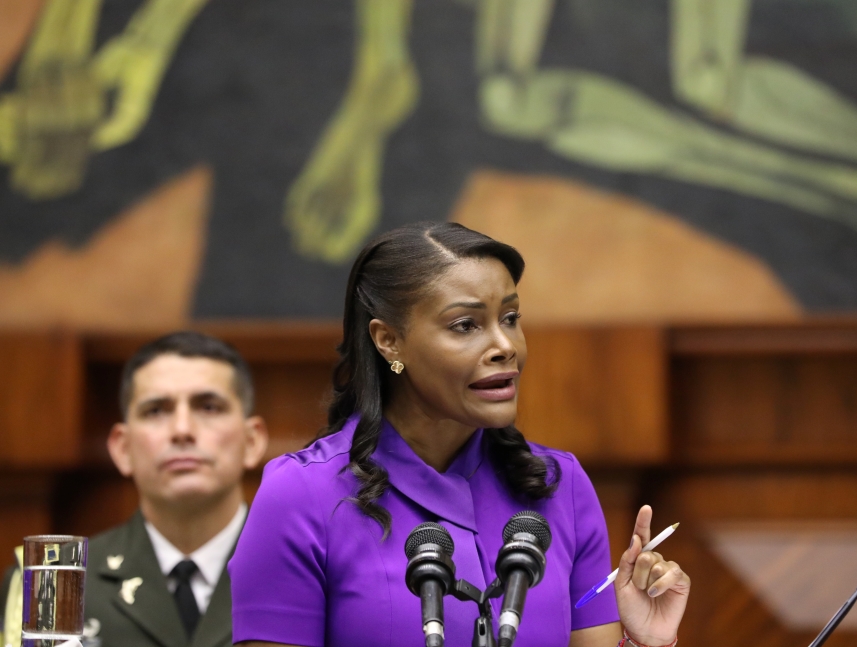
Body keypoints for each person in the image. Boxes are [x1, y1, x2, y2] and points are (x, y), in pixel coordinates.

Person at [228, 222, 690, 647]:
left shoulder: (560, 486)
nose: (505, 346)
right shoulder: (301, 494)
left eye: (510, 318)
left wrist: (648, 643)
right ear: (388, 340)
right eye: (466, 325)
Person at [0, 332, 269, 647]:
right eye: (156, 410)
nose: (182, 430)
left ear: (252, 442)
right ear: (122, 448)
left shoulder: (309, 576)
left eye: (208, 407)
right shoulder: (53, 582)